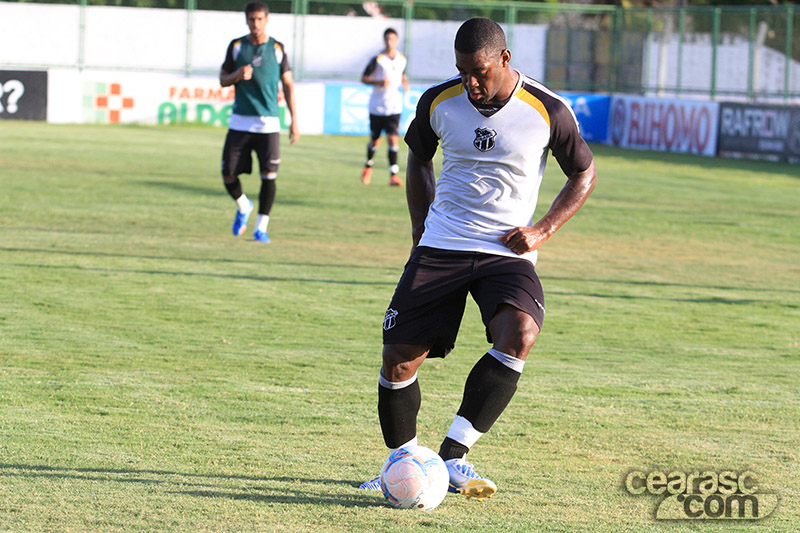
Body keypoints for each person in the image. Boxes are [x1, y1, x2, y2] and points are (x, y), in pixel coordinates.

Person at [359, 18, 597, 500]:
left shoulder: (547, 109)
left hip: (506, 251)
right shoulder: (438, 101)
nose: (471, 83)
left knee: (520, 333)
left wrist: (543, 229)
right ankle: (403, 464)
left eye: (480, 72)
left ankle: (452, 456)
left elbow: (584, 173)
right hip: (442, 242)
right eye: (462, 71)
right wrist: (419, 228)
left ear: (505, 60)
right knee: (398, 360)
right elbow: (419, 159)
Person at [219, 1, 299, 243]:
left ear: (267, 20)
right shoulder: (236, 47)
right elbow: (223, 79)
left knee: (269, 176)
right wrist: (237, 75)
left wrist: (294, 121)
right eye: (252, 19)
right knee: (228, 173)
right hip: (240, 121)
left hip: (268, 124)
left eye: (260, 19)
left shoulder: (276, 49)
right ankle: (243, 206)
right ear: (246, 20)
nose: (255, 24)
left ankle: (261, 228)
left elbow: (288, 85)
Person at [360, 28, 409, 187]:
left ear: (397, 41)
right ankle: (368, 165)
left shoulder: (402, 59)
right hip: (377, 107)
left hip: (394, 106)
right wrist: (379, 82)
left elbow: (402, 74)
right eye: (387, 39)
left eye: (392, 39)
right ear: (384, 41)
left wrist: (404, 82)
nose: (390, 42)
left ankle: (393, 175)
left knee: (393, 138)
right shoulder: (378, 59)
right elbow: (364, 78)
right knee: (375, 141)